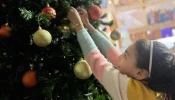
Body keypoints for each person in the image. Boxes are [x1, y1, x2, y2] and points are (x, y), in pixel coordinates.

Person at [67, 7, 175, 100]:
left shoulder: (136, 94)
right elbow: (116, 56)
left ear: (140, 73)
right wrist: (87, 25)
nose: (120, 57)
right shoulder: (152, 86)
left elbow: (98, 62)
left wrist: (78, 25)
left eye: (126, 55)